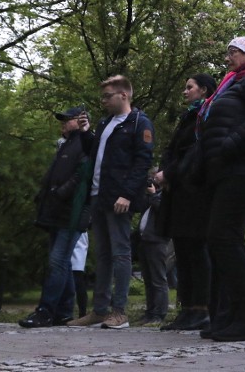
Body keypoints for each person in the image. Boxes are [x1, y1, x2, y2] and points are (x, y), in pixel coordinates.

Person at [197, 35, 245, 342]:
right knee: (221, 240)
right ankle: (229, 316)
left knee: (224, 238)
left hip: (243, 167)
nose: (227, 57)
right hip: (227, 168)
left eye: (233, 52)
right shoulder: (234, 80)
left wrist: (230, 145)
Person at [68, 75, 154, 329]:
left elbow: (142, 161)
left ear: (123, 95)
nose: (103, 101)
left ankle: (120, 312)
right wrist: (85, 133)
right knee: (103, 254)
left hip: (119, 198)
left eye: (107, 96)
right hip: (99, 196)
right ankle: (100, 310)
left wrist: (127, 194)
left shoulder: (139, 122)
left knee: (120, 253)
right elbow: (95, 153)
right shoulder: (106, 122)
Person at [19, 106, 92, 328]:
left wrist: (61, 193)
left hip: (71, 213)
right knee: (63, 263)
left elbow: (82, 175)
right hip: (57, 211)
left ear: (79, 120)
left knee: (57, 262)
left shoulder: (86, 142)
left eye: (67, 119)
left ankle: (45, 311)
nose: (63, 123)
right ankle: (63, 311)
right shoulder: (66, 144)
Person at [155, 73, 217, 332]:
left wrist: (169, 173)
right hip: (178, 192)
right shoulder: (187, 116)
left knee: (196, 250)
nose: (185, 91)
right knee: (182, 250)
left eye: (189, 87)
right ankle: (188, 307)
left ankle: (202, 309)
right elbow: (172, 150)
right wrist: (164, 172)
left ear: (203, 90)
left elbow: (195, 151)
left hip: (195, 192)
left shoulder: (206, 115)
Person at [134, 166, 171, 326]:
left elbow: (163, 212)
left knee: (158, 279)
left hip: (157, 241)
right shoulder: (151, 196)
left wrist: (154, 194)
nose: (153, 180)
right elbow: (140, 208)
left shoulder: (166, 196)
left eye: (155, 177)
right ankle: (150, 312)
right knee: (148, 279)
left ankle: (159, 313)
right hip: (144, 240)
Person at [71, 233, 89, 318]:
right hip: (78, 238)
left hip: (78, 237)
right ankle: (82, 313)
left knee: (77, 278)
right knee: (77, 278)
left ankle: (82, 313)